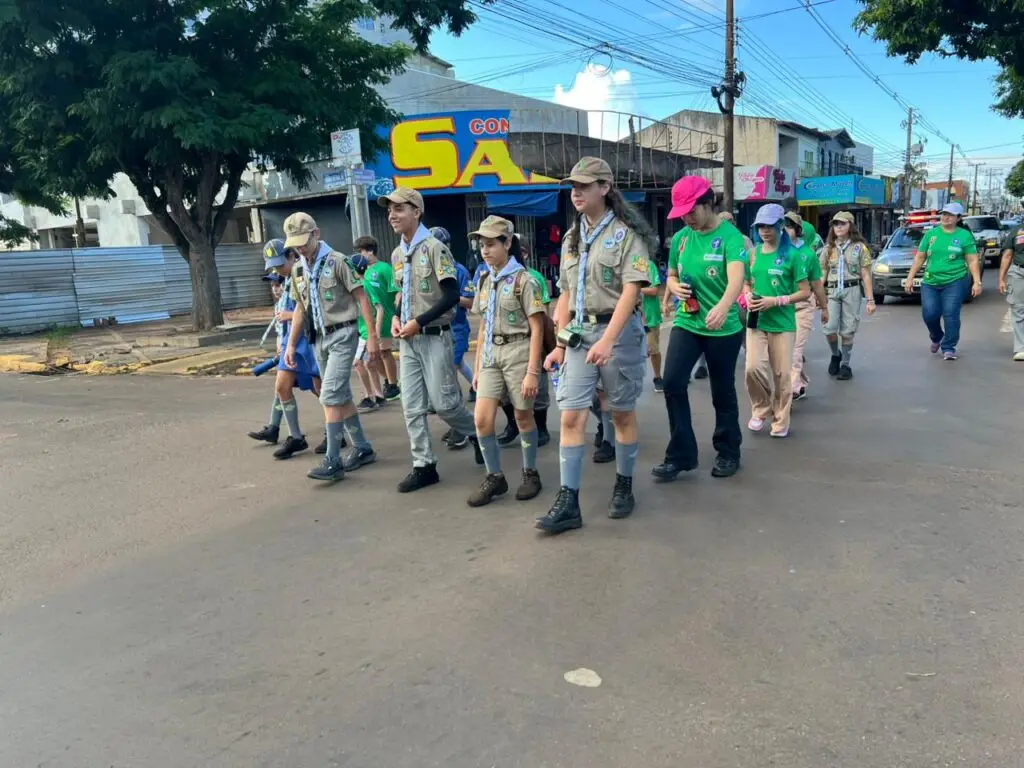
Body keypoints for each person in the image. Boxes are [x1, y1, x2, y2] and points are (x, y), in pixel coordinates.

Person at [537, 157, 652, 534]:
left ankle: (624, 484)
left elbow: (632, 291)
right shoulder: (572, 237)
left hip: (616, 335)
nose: (576, 193)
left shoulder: (626, 235)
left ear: (605, 187)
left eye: (584, 186)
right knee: (571, 416)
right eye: (573, 187)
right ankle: (569, 500)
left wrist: (608, 338)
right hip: (578, 336)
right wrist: (558, 342)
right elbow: (567, 292)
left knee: (619, 414)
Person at [382, 187, 483, 492]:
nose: (392, 215)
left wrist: (419, 321)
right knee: (411, 405)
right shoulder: (398, 253)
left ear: (417, 211)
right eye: (389, 210)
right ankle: (423, 464)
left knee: (444, 404)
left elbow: (451, 295)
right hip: (408, 339)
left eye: (399, 209)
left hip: (435, 335)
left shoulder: (434, 248)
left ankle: (478, 433)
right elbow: (403, 292)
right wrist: (397, 317)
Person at [651, 176, 746, 482]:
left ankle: (728, 450)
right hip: (688, 322)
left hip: (723, 327)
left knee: (722, 390)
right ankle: (681, 454)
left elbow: (736, 279)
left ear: (708, 203)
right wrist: (674, 287)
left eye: (691, 211)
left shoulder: (730, 237)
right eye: (682, 214)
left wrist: (722, 306)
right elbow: (672, 275)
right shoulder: (681, 239)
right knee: (673, 382)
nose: (687, 219)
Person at [283, 213, 380, 482]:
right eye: (295, 245)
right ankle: (362, 448)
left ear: (317, 234)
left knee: (329, 396)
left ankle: (333, 459)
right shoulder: (299, 269)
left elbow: (362, 299)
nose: (300, 248)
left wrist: (371, 337)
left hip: (343, 333)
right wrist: (291, 346)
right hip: (318, 338)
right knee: (340, 394)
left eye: (304, 241)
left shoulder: (337, 261)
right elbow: (300, 308)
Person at [466, 217, 547, 507]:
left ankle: (530, 472)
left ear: (507, 243)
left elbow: (537, 327)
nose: (484, 251)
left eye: (490, 244)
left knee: (523, 417)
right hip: (490, 357)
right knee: (482, 419)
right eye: (481, 245)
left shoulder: (525, 281)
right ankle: (495, 476)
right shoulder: (485, 280)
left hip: (518, 352)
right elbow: (484, 327)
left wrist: (532, 372)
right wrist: (477, 367)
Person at [247, 240, 325, 458]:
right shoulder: (288, 280)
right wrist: (284, 344)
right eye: (273, 266)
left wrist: (290, 317)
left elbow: (314, 309)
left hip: (308, 341)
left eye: (280, 264)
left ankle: (339, 431)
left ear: (292, 256)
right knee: (282, 387)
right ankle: (296, 437)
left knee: (322, 391)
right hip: (292, 343)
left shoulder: (305, 274)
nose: (277, 270)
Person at [743, 204, 810, 438]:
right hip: (757, 321)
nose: (765, 231)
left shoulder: (792, 256)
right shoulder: (753, 253)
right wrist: (747, 295)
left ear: (780, 226)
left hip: (782, 323)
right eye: (761, 226)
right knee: (753, 367)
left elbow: (805, 292)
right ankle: (761, 408)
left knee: (782, 374)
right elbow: (746, 282)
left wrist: (777, 300)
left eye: (769, 226)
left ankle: (781, 420)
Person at [905, 202, 982, 361]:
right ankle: (937, 336)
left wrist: (977, 282)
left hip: (955, 280)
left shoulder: (964, 236)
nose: (946, 217)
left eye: (950, 215)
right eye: (944, 214)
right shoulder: (931, 235)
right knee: (929, 314)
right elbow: (920, 257)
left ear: (958, 218)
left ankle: (949, 347)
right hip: (930, 281)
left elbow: (972, 260)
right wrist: (910, 278)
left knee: (951, 314)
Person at [495, 240, 553, 448]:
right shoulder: (490, 277)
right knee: (503, 390)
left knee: (538, 386)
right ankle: (512, 424)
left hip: (529, 337)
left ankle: (542, 427)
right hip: (503, 343)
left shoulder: (532, 278)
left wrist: (543, 339)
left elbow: (543, 313)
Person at [820, 211, 877, 379]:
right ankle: (835, 354)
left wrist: (870, 300)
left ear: (850, 225)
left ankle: (845, 365)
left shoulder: (860, 248)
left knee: (848, 330)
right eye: (836, 224)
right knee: (829, 328)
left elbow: (865, 274)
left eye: (842, 224)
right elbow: (823, 271)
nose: (838, 227)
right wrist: (818, 294)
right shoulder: (828, 248)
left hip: (851, 290)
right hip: (831, 290)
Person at [783, 212, 829, 400]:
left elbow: (816, 284)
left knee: (795, 352)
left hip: (802, 307)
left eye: (789, 226)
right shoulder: (773, 251)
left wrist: (824, 307)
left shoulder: (807, 254)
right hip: (779, 309)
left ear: (798, 230)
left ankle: (789, 391)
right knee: (782, 353)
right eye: (781, 226)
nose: (784, 230)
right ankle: (799, 381)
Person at [354, 235, 400, 401]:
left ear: (370, 251)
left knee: (385, 352)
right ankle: (388, 380)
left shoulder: (385, 268)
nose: (360, 255)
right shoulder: (363, 271)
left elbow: (397, 291)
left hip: (386, 317)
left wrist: (397, 313)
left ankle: (393, 384)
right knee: (376, 355)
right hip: (370, 321)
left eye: (362, 251)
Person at [998, 217, 1024, 361]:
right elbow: (1007, 255)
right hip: (1019, 273)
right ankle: (1021, 349)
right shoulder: (1017, 231)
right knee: (1019, 310)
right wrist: (1001, 278)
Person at [642, 257, 665, 392]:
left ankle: (657, 377)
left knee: (653, 350)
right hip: (630, 316)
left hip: (649, 316)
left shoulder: (648, 265)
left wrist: (633, 289)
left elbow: (654, 290)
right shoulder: (623, 265)